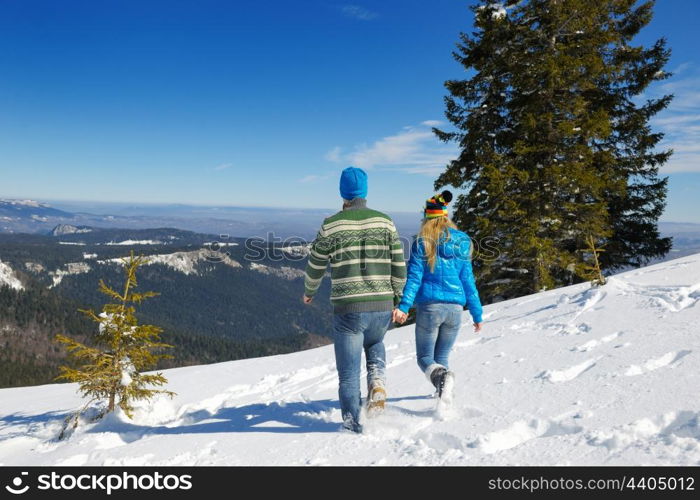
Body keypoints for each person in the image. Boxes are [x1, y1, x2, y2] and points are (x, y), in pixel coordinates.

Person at [303, 166, 406, 433]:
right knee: (376, 342)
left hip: (348, 308)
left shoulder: (331, 224)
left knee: (348, 375)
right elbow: (398, 264)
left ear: (342, 192)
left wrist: (309, 291)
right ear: (365, 192)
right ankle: (378, 381)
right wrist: (397, 298)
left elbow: (316, 263)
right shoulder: (385, 221)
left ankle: (351, 426)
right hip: (382, 303)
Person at [392, 191, 483, 403]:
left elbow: (414, 278)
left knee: (425, 358)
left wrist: (404, 306)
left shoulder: (423, 242)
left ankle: (441, 382)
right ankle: (442, 397)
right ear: (445, 216)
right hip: (455, 310)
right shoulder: (462, 242)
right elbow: (468, 281)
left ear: (427, 218)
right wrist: (477, 313)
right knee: (442, 358)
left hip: (430, 308)